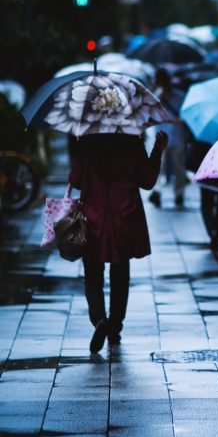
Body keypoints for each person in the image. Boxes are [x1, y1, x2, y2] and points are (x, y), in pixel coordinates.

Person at [69, 129, 168, 352]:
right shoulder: (132, 142)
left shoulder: (89, 141)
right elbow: (147, 181)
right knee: (121, 272)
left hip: (94, 217)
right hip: (125, 217)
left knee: (93, 275)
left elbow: (75, 180)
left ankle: (99, 320)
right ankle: (115, 328)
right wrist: (157, 151)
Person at [149, 68, 187, 208]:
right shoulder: (155, 96)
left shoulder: (178, 96)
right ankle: (158, 192)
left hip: (175, 136)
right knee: (160, 167)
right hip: (162, 137)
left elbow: (185, 113)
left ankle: (179, 193)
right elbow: (151, 115)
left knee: (178, 167)